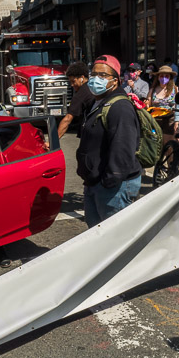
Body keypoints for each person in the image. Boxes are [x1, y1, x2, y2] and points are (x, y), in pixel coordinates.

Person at [76, 55, 142, 228]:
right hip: (95, 184)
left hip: (113, 188)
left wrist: (108, 182)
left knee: (117, 240)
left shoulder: (120, 107)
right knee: (98, 238)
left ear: (115, 80)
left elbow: (123, 151)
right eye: (94, 74)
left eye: (103, 75)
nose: (96, 79)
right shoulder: (99, 102)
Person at [57, 62, 96, 138]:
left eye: (73, 81)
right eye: (70, 82)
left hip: (89, 135)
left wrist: (54, 141)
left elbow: (67, 119)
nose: (71, 85)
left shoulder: (81, 94)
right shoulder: (93, 87)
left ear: (82, 78)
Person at [145, 65, 179, 144]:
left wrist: (177, 123)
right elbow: (148, 105)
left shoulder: (175, 89)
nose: (164, 78)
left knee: (168, 142)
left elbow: (178, 105)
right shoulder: (152, 90)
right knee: (156, 143)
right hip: (156, 120)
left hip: (170, 120)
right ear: (158, 77)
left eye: (166, 76)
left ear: (170, 78)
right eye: (161, 76)